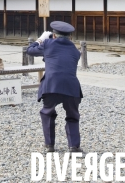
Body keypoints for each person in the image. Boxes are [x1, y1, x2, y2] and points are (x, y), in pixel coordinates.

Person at [27, 21, 83, 153]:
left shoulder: (47, 44)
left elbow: (29, 50)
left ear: (54, 35)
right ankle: (74, 146)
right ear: (70, 37)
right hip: (71, 86)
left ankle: (49, 145)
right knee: (73, 115)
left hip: (51, 85)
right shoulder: (76, 51)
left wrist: (40, 39)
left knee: (47, 112)